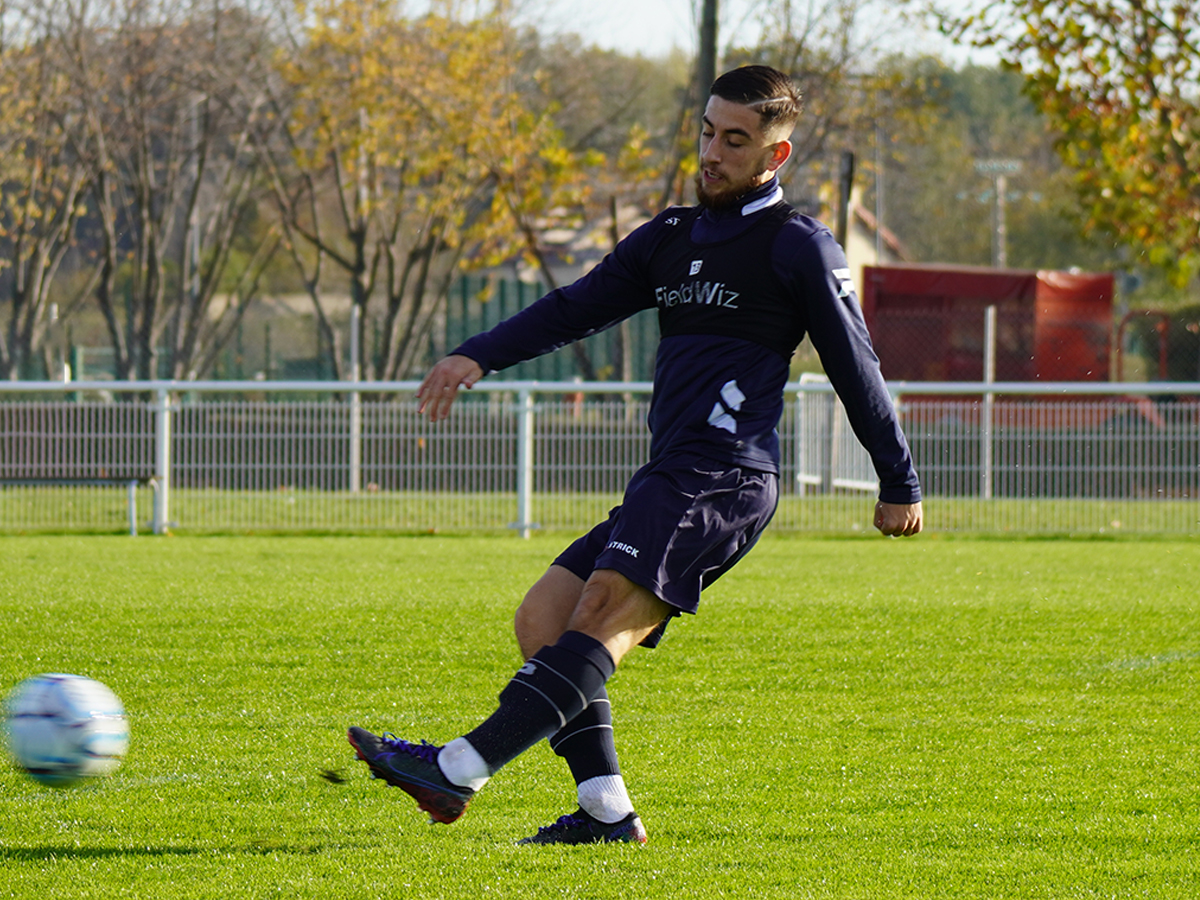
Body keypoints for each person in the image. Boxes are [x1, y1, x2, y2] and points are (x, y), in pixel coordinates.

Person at [348, 64, 923, 845]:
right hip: (671, 474)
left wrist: (898, 479)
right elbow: (572, 308)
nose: (712, 152)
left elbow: (858, 366)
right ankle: (606, 814)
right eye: (708, 132)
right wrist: (475, 355)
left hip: (724, 475)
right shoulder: (669, 237)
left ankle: (455, 770)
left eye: (735, 139)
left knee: (600, 613)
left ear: (775, 155)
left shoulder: (798, 247)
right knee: (547, 616)